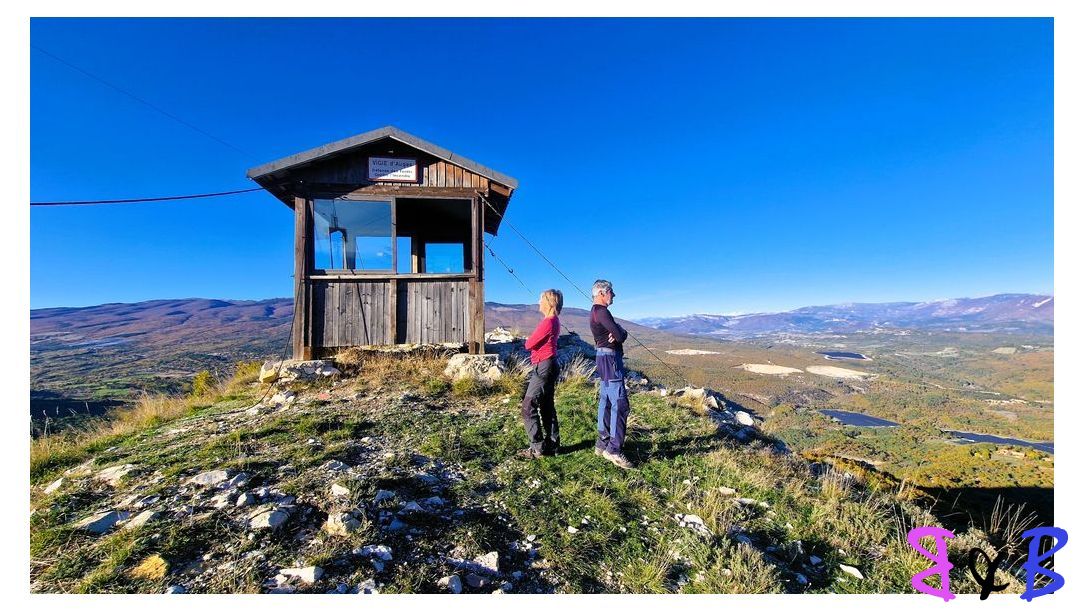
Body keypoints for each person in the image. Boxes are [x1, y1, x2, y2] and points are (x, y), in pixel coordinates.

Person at [590, 279, 634, 469]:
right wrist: (621, 331)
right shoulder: (602, 312)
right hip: (611, 360)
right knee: (620, 403)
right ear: (602, 293)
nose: (613, 295)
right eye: (611, 292)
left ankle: (602, 442)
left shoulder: (594, 312)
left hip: (602, 358)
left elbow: (614, 334)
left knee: (606, 400)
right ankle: (614, 450)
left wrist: (616, 332)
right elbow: (619, 335)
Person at [518, 289, 563, 459]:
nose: (538, 302)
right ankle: (552, 444)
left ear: (549, 302)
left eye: (540, 299)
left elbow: (529, 344)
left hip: (543, 366)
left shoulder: (548, 322)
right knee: (546, 407)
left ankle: (537, 448)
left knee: (528, 406)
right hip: (550, 364)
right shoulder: (555, 321)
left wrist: (530, 340)